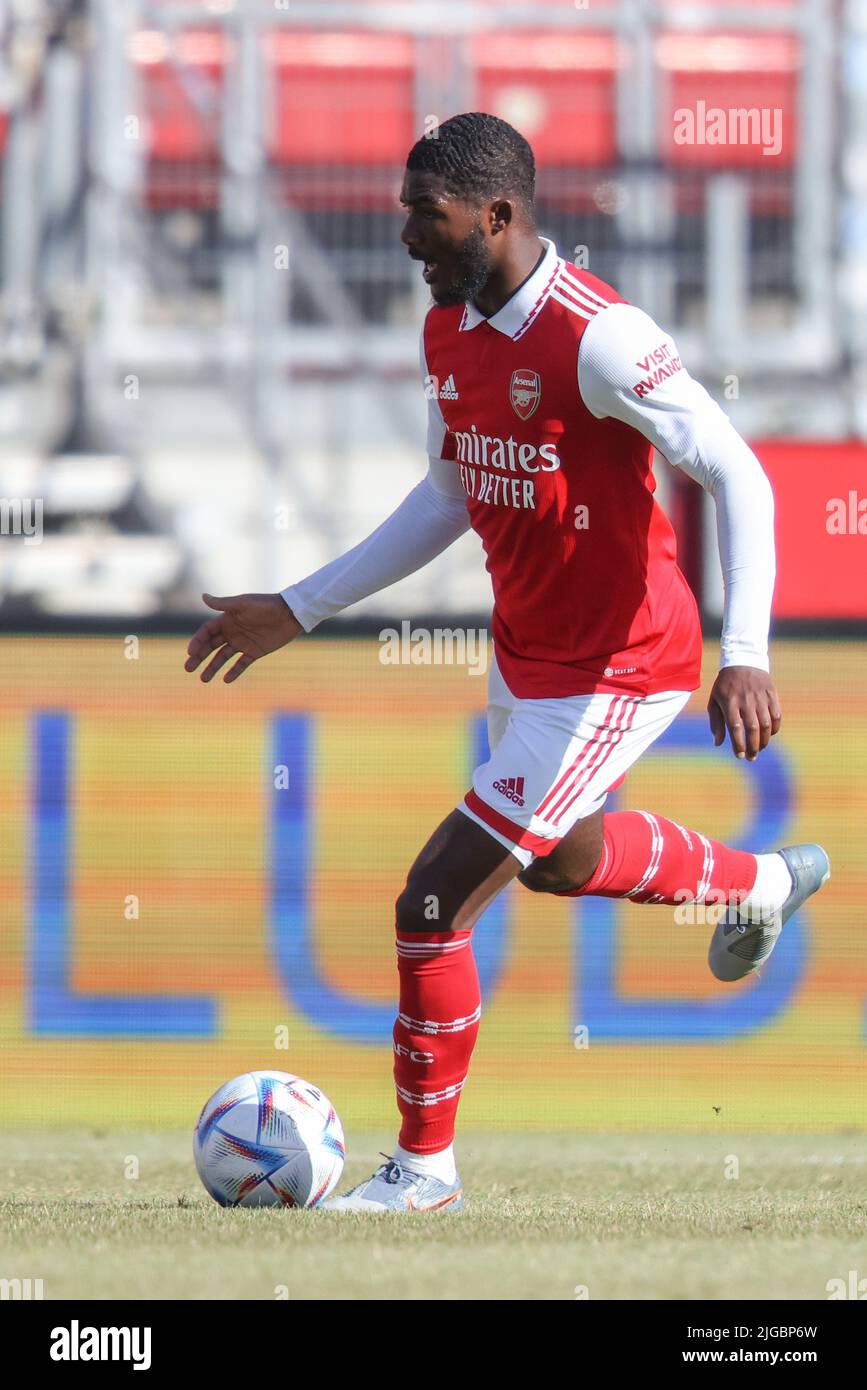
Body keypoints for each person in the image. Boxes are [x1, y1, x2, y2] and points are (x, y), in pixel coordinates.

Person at [184, 113, 830, 1213]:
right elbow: (447, 494)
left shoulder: (601, 336)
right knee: (561, 862)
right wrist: (301, 605)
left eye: (423, 217)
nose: (405, 238)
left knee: (432, 901)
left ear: (497, 215)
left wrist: (747, 650)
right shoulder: (450, 330)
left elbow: (740, 474)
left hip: (623, 666)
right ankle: (763, 880)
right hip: (529, 659)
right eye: (402, 213)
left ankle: (423, 1170)